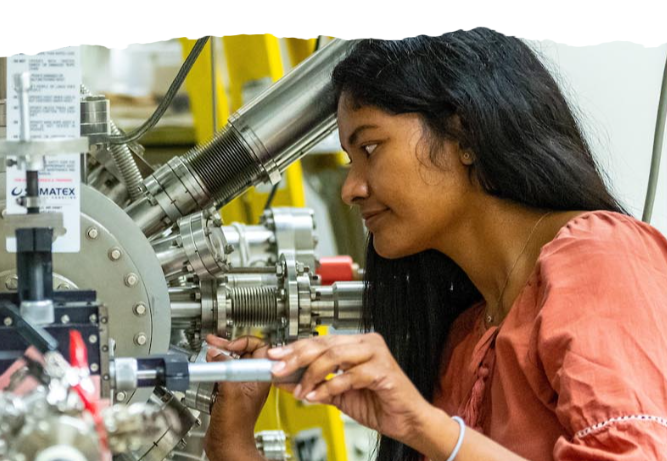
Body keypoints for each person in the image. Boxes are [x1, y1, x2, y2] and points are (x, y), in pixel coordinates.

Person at [202, 29, 667, 461]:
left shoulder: (600, 257)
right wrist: (232, 442)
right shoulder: (464, 337)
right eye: (348, 159)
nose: (351, 188)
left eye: (369, 148)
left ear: (463, 133)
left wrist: (425, 426)